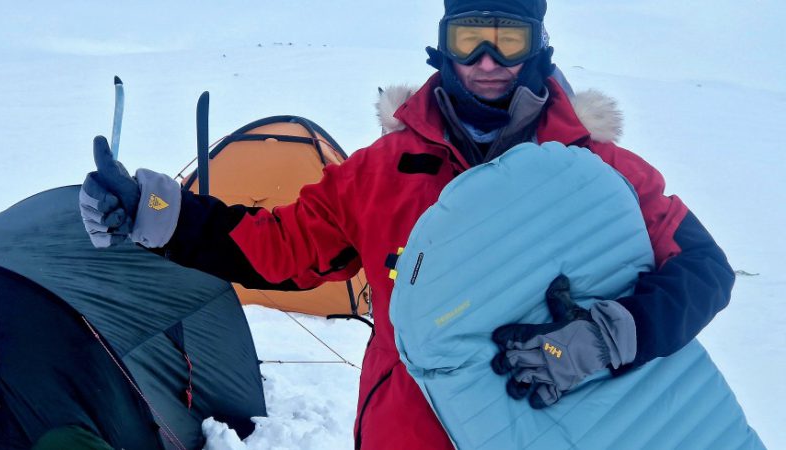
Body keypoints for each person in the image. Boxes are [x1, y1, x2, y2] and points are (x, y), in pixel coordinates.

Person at [78, 0, 734, 448]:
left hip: (552, 430)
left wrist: (602, 339)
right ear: (443, 43)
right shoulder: (382, 170)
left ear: (538, 45)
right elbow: (278, 248)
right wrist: (155, 210)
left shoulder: (597, 172)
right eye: (469, 37)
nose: (486, 60)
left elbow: (704, 270)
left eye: (507, 38)